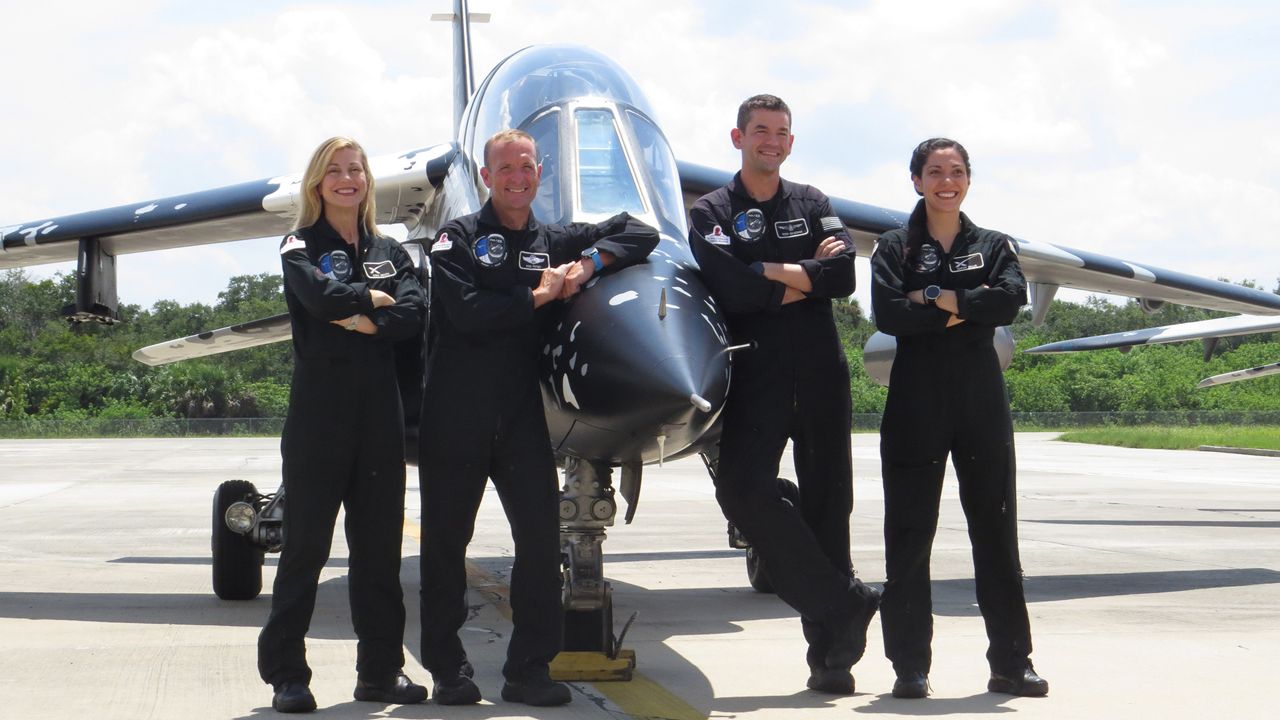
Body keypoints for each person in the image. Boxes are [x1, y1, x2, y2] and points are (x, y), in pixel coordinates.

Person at [418, 129, 658, 707]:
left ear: (539, 173)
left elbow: (642, 230)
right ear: (485, 176)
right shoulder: (458, 238)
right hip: (456, 415)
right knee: (447, 546)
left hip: (522, 418)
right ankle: (449, 670)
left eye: (526, 167)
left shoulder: (554, 240)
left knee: (537, 540)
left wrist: (588, 264)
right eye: (505, 168)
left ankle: (528, 669)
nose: (517, 177)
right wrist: (538, 297)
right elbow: (469, 314)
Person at [688, 94, 880, 695]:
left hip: (821, 369)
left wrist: (765, 268)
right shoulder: (710, 211)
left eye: (781, 132)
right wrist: (802, 271)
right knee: (742, 490)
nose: (771, 141)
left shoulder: (813, 202)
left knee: (830, 508)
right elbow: (730, 290)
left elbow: (844, 276)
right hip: (757, 370)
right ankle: (841, 602)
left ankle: (832, 659)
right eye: (760, 131)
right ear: (737, 137)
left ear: (790, 142)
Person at [870, 137, 1048, 699]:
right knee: (909, 535)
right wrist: (966, 302)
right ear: (916, 180)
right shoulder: (893, 247)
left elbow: (1008, 302)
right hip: (915, 404)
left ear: (968, 180)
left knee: (995, 532)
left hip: (980, 403)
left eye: (956, 171)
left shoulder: (995, 244)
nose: (946, 181)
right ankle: (909, 666)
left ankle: (1011, 663)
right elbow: (890, 313)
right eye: (934, 171)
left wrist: (936, 300)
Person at [258, 136, 427, 713]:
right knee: (305, 549)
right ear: (317, 183)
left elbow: (413, 312)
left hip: (380, 419)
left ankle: (380, 672)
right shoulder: (296, 244)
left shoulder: (392, 249)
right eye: (334, 171)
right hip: (319, 419)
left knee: (379, 553)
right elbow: (314, 295)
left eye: (355, 169)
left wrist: (366, 318)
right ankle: (287, 674)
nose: (346, 179)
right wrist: (369, 301)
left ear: (367, 181)